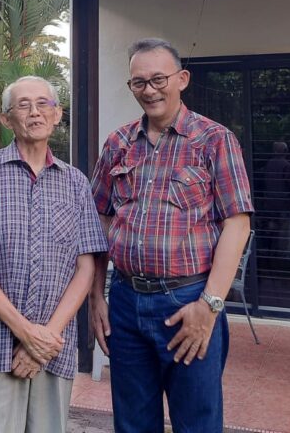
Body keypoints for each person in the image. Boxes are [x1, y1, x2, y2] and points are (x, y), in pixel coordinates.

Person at [90, 38, 254, 433]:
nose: (149, 90)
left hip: (188, 301)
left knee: (196, 423)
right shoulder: (118, 143)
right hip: (125, 303)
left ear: (182, 79)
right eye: (139, 82)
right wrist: (97, 298)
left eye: (158, 79)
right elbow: (99, 221)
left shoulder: (215, 140)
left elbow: (237, 223)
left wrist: (209, 305)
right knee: (132, 424)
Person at [0, 76, 108, 433]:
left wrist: (44, 340)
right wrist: (26, 333)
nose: (34, 112)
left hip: (53, 348)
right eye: (23, 105)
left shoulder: (76, 183)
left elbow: (85, 268)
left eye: (43, 104)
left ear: (57, 114)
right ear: (6, 119)